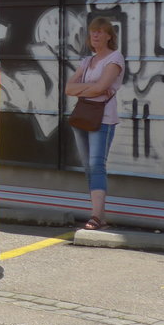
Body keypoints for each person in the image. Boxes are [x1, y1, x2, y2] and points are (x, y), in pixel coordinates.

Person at [64, 16, 124, 230]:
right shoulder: (87, 61)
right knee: (89, 167)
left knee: (97, 164)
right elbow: (68, 88)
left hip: (103, 118)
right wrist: (93, 87)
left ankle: (96, 216)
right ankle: (101, 215)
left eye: (100, 31)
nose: (96, 35)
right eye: (93, 32)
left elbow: (102, 88)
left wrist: (86, 88)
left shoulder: (115, 59)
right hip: (82, 116)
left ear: (109, 36)